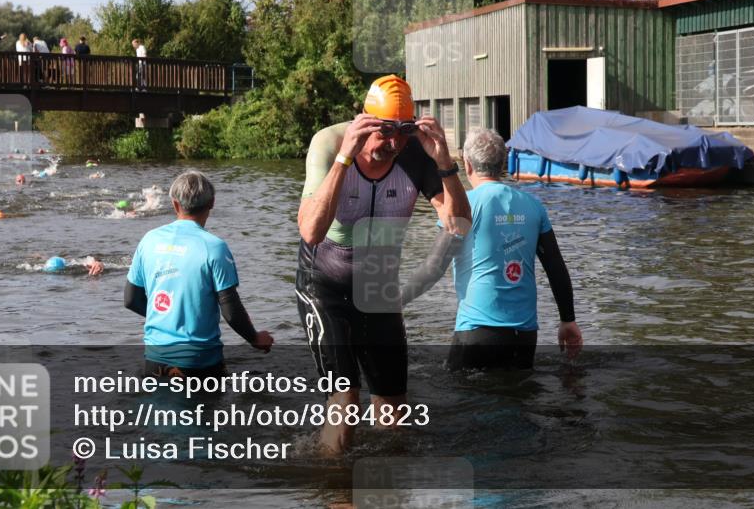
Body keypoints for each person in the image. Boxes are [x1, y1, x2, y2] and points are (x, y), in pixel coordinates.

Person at [296, 74, 471, 454]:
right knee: (345, 401)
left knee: (394, 413)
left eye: (401, 133)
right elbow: (310, 230)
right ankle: (336, 491)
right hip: (324, 284)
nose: (391, 144)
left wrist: (444, 162)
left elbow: (458, 224)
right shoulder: (328, 144)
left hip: (378, 288)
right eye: (382, 132)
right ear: (364, 120)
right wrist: (345, 158)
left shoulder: (413, 154)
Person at [408, 128, 583, 371]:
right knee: (516, 400)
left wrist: (394, 303)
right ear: (503, 163)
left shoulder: (463, 206)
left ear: (467, 165)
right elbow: (555, 268)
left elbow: (434, 268)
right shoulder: (534, 206)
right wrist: (568, 320)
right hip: (525, 335)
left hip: (477, 332)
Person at [125, 170, 273, 380]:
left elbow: (131, 300)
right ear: (212, 203)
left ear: (175, 204)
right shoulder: (215, 247)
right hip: (200, 362)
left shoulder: (149, 240)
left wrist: (168, 316)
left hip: (155, 360)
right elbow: (231, 310)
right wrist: (255, 338)